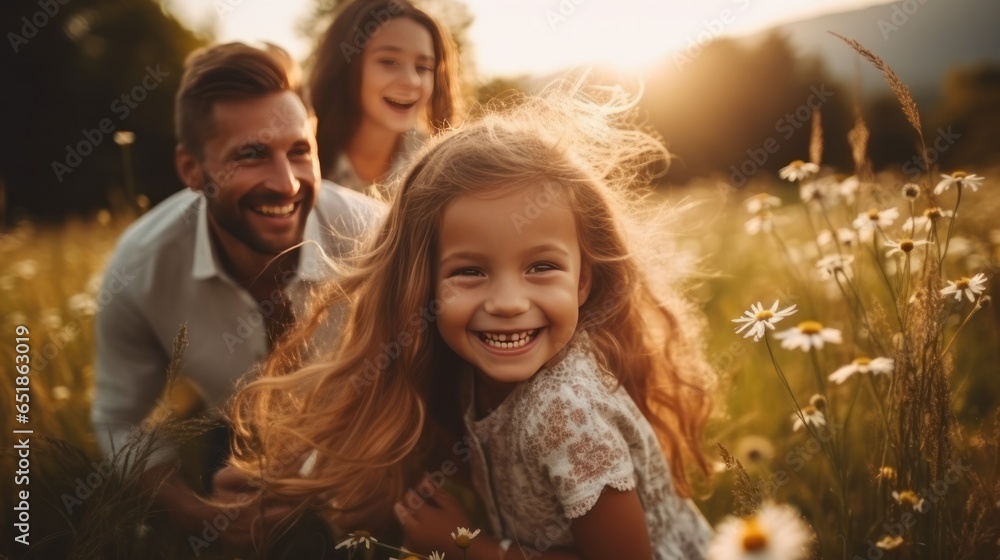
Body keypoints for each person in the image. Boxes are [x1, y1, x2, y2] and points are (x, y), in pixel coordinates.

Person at [227, 86, 715, 559]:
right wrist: (292, 481)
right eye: (470, 272)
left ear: (582, 282)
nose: (506, 302)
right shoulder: (465, 369)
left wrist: (467, 548)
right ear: (425, 286)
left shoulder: (568, 414)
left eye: (541, 267)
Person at [90, 41, 383, 550]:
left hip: (368, 441)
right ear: (192, 171)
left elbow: (431, 389)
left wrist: (347, 483)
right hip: (237, 443)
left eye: (299, 151)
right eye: (251, 154)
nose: (287, 183)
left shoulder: (378, 239)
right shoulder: (140, 269)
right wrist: (199, 514)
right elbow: (121, 420)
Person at [309, 0, 462, 192]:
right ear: (346, 66)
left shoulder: (439, 170)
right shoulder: (299, 154)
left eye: (423, 67)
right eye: (389, 62)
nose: (412, 81)